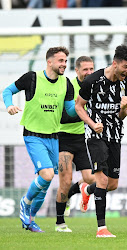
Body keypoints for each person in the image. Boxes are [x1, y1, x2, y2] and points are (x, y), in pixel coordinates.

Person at [2, 46, 76, 233]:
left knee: (46, 183)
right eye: (61, 61)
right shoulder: (32, 78)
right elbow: (7, 91)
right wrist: (9, 106)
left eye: (66, 61)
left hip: (53, 137)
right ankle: (25, 202)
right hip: (33, 135)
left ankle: (30, 221)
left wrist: (85, 108)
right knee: (47, 174)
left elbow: (71, 111)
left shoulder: (66, 83)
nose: (64, 64)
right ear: (49, 61)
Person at [75, 45, 127, 238]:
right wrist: (93, 124)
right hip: (95, 135)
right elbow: (79, 107)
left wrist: (124, 108)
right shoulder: (92, 81)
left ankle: (87, 189)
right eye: (125, 66)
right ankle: (101, 228)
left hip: (115, 136)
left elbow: (122, 116)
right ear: (115, 63)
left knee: (112, 184)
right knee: (101, 178)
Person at [55, 56, 95, 232]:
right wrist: (83, 112)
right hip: (64, 137)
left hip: (82, 138)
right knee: (65, 180)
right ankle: (60, 223)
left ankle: (73, 192)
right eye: (85, 69)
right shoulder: (67, 86)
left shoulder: (95, 86)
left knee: (92, 179)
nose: (89, 73)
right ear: (77, 70)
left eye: (91, 69)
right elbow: (64, 114)